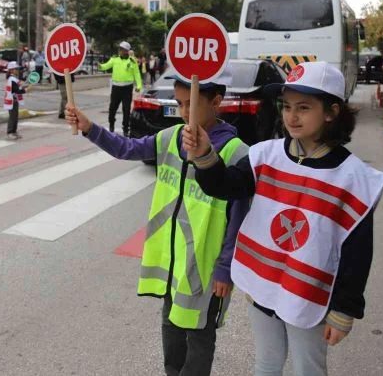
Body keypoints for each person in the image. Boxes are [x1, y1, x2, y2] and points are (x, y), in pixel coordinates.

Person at [183, 61, 383, 376]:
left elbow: (357, 253)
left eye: (304, 107)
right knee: (266, 363)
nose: (291, 116)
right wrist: (204, 155)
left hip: (310, 295)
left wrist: (344, 310)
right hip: (263, 285)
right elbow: (225, 187)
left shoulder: (354, 178)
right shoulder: (265, 155)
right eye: (287, 106)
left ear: (331, 112)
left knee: (309, 368)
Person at [65, 66, 249, 376]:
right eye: (180, 103)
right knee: (170, 325)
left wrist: (225, 267)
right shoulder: (169, 137)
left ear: (216, 102)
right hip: (173, 262)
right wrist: (90, 128)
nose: (184, 112)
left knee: (200, 334)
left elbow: (238, 218)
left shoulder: (235, 152)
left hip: (205, 268)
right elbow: (127, 148)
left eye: (192, 103)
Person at [99, 41, 143, 135]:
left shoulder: (132, 61)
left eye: (122, 49)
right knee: (112, 108)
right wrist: (100, 66)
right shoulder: (114, 59)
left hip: (127, 88)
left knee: (126, 110)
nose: (120, 51)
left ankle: (125, 129)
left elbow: (137, 74)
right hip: (116, 88)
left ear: (127, 51)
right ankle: (111, 124)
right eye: (120, 49)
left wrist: (139, 86)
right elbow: (105, 66)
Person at [4, 61, 29, 140]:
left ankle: (14, 132)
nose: (17, 70)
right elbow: (17, 91)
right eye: (16, 69)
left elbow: (18, 87)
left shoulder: (14, 79)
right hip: (12, 101)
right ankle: (10, 132)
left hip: (14, 100)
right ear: (11, 70)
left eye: (17, 69)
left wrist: (24, 86)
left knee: (15, 117)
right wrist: (25, 90)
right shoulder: (12, 79)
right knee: (12, 117)